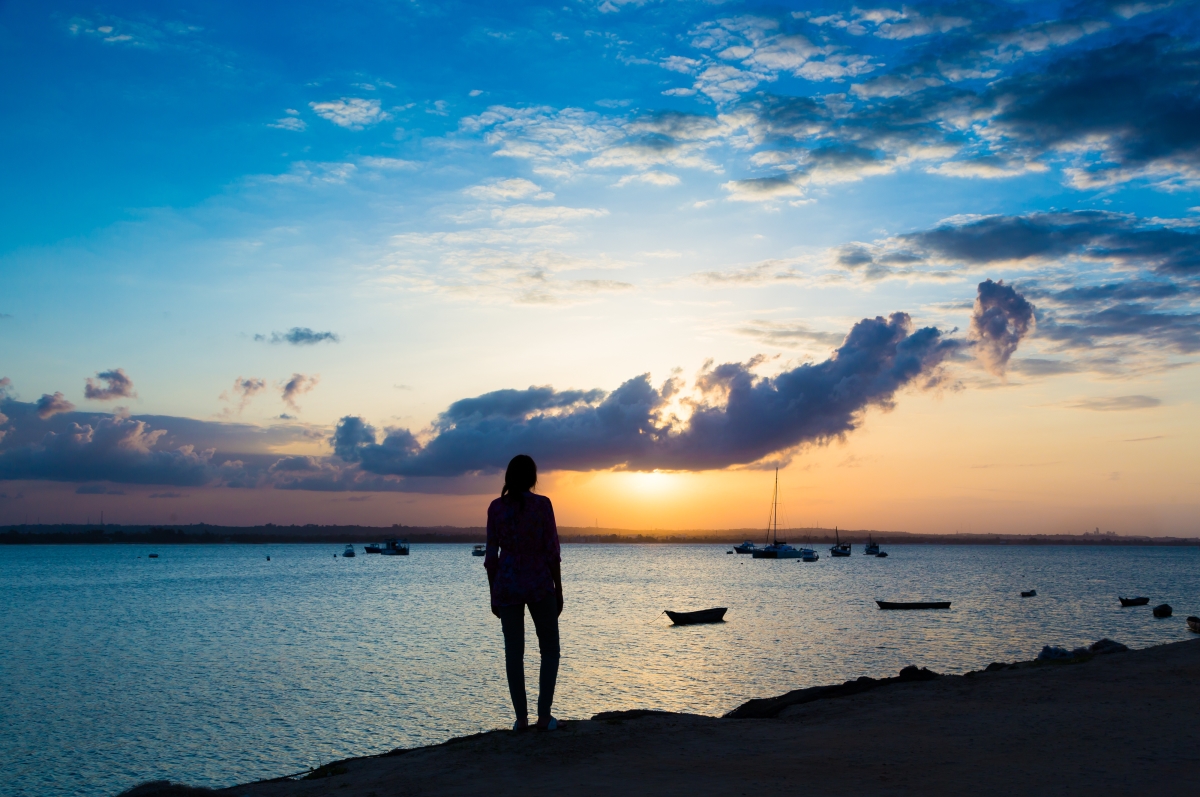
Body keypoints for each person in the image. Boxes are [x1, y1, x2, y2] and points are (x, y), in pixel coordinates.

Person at [484, 454, 563, 732]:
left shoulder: (496, 508)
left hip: (507, 583)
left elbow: (491, 558)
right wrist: (559, 589)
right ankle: (544, 716)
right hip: (540, 582)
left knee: (513, 654)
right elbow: (552, 551)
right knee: (550, 649)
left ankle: (521, 720)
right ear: (532, 478)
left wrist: (494, 593)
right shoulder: (543, 505)